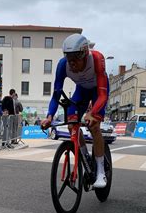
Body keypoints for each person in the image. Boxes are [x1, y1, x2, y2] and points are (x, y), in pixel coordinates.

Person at [41, 33, 109, 188]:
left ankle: (100, 172)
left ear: (85, 53)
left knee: (94, 126)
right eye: (68, 58)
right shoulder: (62, 65)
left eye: (75, 59)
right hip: (81, 92)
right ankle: (85, 157)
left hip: (98, 92)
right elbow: (56, 95)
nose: (71, 63)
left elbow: (103, 95)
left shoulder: (97, 59)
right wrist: (49, 116)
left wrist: (92, 113)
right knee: (72, 125)